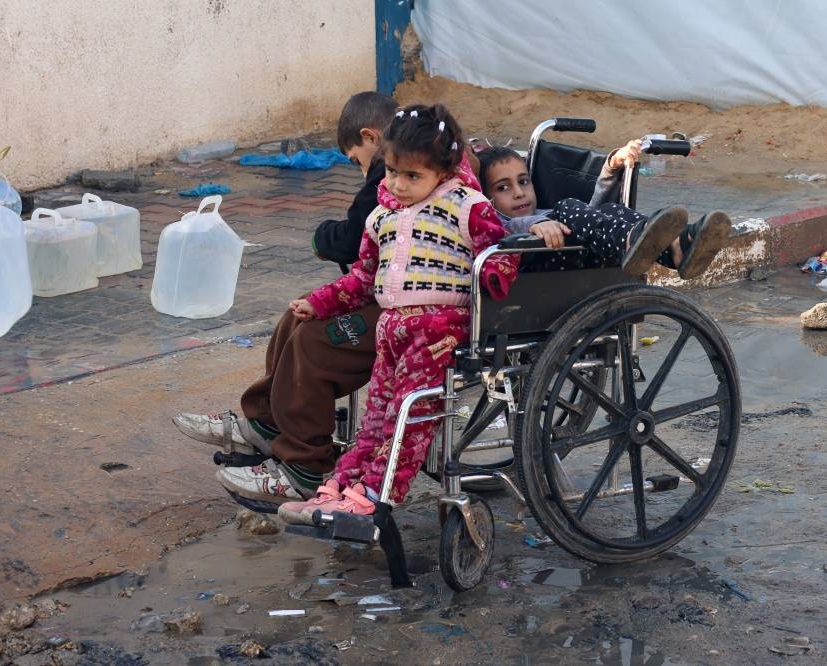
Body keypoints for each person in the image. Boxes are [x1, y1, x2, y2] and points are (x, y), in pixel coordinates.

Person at [273, 103, 518, 523]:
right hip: (391, 329)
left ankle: (374, 494)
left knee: (409, 414)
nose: (398, 185)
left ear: (441, 171)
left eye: (412, 176)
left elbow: (497, 253)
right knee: (376, 416)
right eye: (391, 172)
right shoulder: (381, 216)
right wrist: (320, 301)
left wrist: (494, 274)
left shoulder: (467, 205)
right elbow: (362, 279)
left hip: (439, 329)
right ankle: (341, 488)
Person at [173, 91, 399, 506]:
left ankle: (304, 468)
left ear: (370, 136)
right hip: (383, 289)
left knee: (313, 344)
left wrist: (324, 241)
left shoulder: (396, 176)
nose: (393, 183)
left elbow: (352, 240)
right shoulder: (395, 180)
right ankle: (268, 424)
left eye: (355, 159)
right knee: (296, 318)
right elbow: (364, 257)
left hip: (412, 309)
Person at [478, 141, 731, 279]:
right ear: (487, 198)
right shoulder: (495, 223)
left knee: (609, 209)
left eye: (523, 181)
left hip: (577, 269)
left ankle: (678, 248)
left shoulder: (545, 210)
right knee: (566, 207)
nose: (519, 192)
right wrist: (533, 226)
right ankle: (634, 239)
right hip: (531, 274)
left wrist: (612, 166)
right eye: (503, 187)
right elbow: (504, 229)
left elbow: (592, 214)